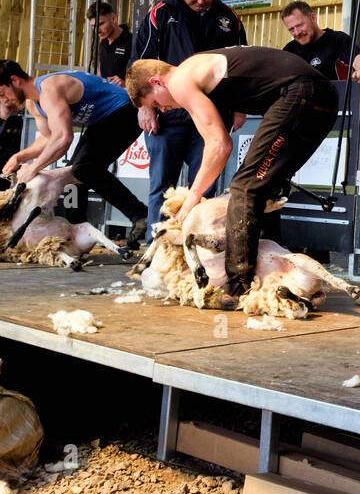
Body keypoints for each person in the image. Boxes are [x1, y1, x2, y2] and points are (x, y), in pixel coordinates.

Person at [126, 47, 338, 302]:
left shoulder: (181, 79)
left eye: (156, 103)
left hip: (302, 93)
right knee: (264, 185)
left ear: (156, 82)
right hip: (320, 96)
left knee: (245, 188)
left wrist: (193, 196)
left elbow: (220, 145)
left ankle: (238, 288)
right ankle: (271, 273)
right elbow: (215, 144)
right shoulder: (195, 72)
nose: (163, 109)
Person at [0, 59, 148, 248]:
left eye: (3, 94)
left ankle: (140, 215)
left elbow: (63, 139)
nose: (4, 101)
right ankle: (78, 228)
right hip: (102, 120)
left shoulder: (48, 89)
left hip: (125, 110)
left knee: (84, 168)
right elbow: (48, 138)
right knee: (76, 172)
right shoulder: (33, 104)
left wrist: (34, 168)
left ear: (15, 80)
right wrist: (20, 157)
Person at [132, 0, 246, 237]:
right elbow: (139, 65)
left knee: (205, 186)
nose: (200, 1)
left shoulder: (229, 18)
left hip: (210, 116)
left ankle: (196, 246)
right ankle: (156, 246)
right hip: (166, 116)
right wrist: (145, 106)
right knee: (162, 186)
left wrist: (239, 107)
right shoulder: (160, 14)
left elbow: (239, 64)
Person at [281, 0, 360, 87]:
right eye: (291, 29)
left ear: (313, 18)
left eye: (299, 25)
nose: (297, 33)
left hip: (335, 101)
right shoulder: (289, 50)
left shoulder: (337, 39)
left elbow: (358, 58)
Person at [87, 1, 131, 86]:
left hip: (124, 95)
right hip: (105, 94)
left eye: (100, 24)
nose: (97, 30)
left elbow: (143, 76)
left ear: (114, 19)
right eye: (93, 26)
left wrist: (125, 84)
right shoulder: (103, 42)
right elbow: (102, 70)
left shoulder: (132, 42)